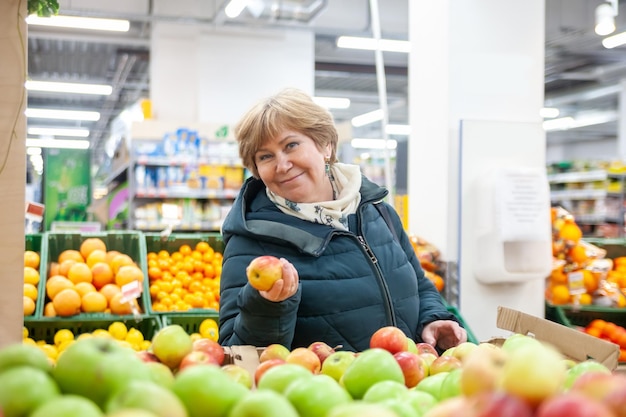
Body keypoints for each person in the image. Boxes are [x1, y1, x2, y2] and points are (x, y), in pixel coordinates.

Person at [218, 87, 467, 352]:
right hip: (321, 390)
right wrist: (267, 305)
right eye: (265, 156)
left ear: (325, 145)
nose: (282, 165)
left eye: (291, 145)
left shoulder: (377, 212)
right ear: (256, 169)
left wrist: (434, 318)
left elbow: (418, 284)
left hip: (405, 385)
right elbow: (236, 351)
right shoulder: (251, 240)